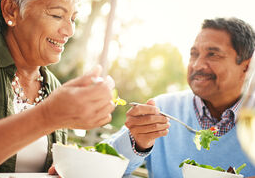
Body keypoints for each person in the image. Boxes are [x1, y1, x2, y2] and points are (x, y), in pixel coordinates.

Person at [106, 17, 255, 177]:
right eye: (194, 54)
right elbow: (103, 164)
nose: (197, 65)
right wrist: (137, 143)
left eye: (212, 54)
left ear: (246, 66)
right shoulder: (161, 109)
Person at [0, 0, 115, 173]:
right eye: (57, 15)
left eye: (73, 18)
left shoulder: (55, 87)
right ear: (11, 10)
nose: (69, 30)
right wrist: (47, 116)